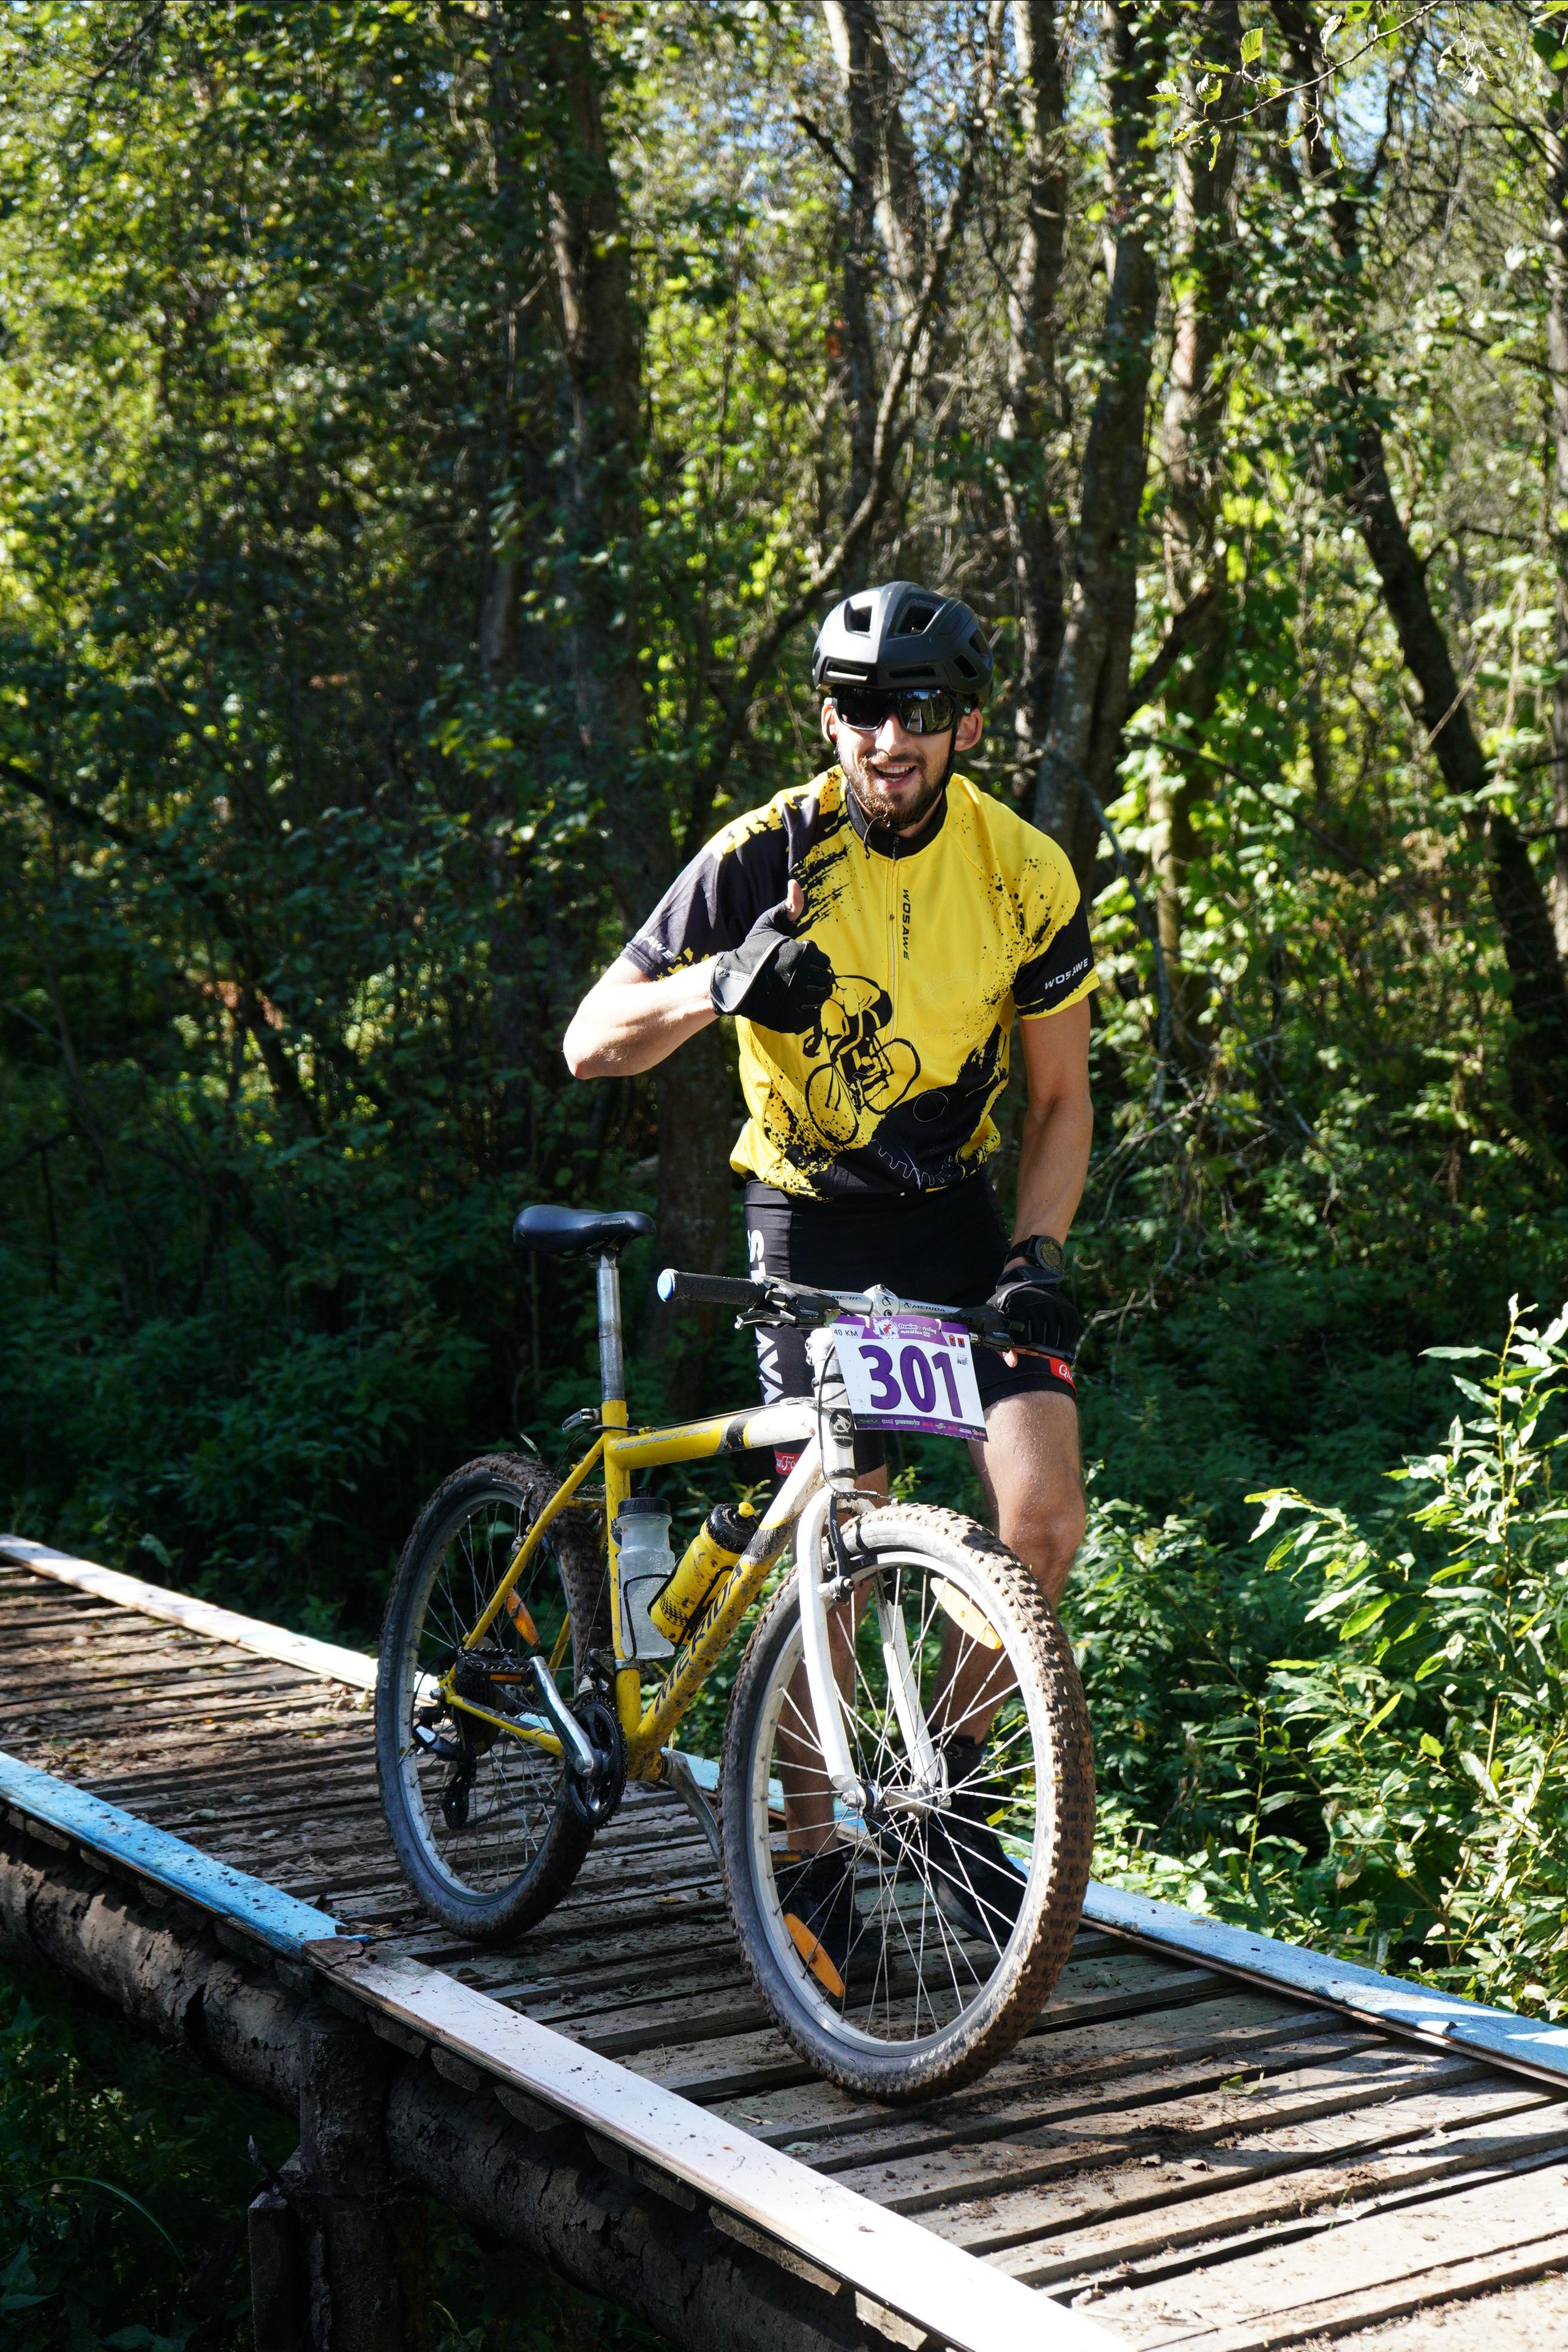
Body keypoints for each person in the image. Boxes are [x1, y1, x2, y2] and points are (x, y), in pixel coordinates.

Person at [563, 579, 1096, 1986]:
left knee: (1039, 1515)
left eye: (915, 710)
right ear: (828, 718)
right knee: (838, 1540)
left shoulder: (1023, 872)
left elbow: (1057, 1103)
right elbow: (591, 1041)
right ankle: (809, 1859)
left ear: (963, 723)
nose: (885, 736)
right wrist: (721, 982)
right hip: (810, 1222)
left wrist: (1036, 1253)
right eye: (858, 708)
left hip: (955, 1220)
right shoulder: (762, 853)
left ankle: (960, 1797)